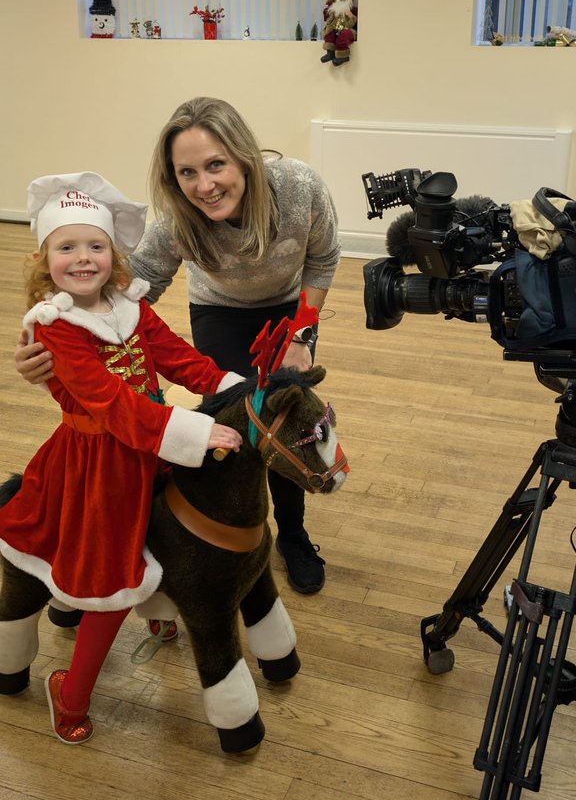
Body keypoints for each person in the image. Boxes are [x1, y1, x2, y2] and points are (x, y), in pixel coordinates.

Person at [16, 98, 341, 594]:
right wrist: (62, 339)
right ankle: (233, 532)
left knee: (282, 415)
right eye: (187, 172)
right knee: (234, 422)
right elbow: (131, 284)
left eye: (216, 165)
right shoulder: (178, 221)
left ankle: (292, 537)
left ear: (244, 157)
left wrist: (301, 333)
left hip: (287, 308)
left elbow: (323, 259)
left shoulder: (299, 188)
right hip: (221, 309)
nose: (204, 185)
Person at [1, 171, 243, 744]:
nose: (83, 259)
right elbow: (110, 405)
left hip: (150, 444)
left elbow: (182, 360)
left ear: (114, 253)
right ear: (44, 260)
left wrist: (238, 392)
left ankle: (158, 612)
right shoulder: (57, 327)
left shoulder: (132, 308)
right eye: (67, 247)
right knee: (111, 581)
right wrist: (197, 430)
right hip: (98, 466)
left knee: (175, 531)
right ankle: (73, 694)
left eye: (96, 246)